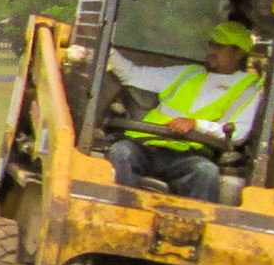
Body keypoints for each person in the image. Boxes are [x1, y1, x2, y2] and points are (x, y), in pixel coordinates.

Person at [104, 20, 264, 201]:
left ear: (239, 53)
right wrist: (106, 49)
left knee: (206, 172)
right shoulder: (189, 73)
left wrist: (195, 124)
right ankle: (120, 207)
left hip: (188, 157)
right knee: (121, 151)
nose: (211, 51)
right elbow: (132, 74)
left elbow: (238, 134)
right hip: (147, 144)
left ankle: (193, 218)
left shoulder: (249, 89)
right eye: (211, 44)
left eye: (220, 47)